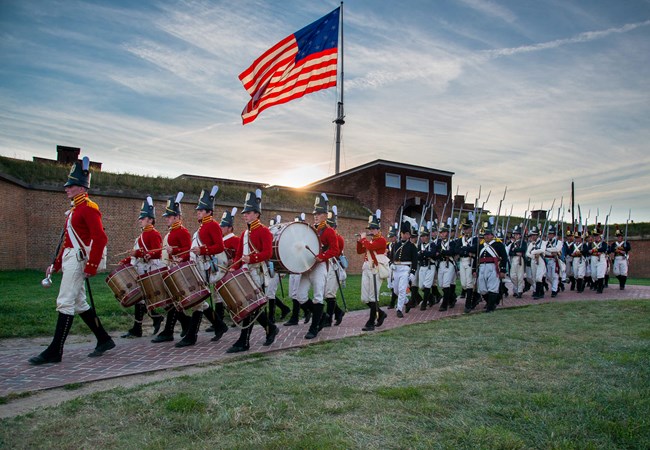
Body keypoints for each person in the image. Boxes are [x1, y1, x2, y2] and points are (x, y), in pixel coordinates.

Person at [29, 157, 115, 365]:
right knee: (79, 302)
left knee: (65, 302)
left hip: (79, 261)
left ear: (82, 188)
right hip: (71, 259)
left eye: (71, 185)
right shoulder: (75, 211)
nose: (67, 188)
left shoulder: (88, 208)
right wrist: (56, 265)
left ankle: (55, 351)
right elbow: (67, 242)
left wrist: (92, 265)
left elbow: (101, 238)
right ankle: (104, 339)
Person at [227, 190, 280, 352]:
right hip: (244, 273)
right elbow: (238, 255)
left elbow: (267, 253)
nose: (245, 216)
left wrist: (253, 259)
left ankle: (244, 341)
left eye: (248, 213)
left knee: (250, 307)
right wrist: (232, 268)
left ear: (257, 214)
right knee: (252, 307)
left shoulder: (264, 231)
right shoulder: (244, 234)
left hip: (257, 273)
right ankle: (270, 328)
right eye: (244, 213)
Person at [177, 186, 229, 347]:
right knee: (199, 302)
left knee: (197, 301)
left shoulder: (212, 225)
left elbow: (219, 247)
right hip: (197, 266)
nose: (197, 212)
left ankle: (191, 336)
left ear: (208, 211)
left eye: (200, 210)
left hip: (204, 268)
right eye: (198, 210)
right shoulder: (202, 226)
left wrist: (203, 250)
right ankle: (219, 325)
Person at [120, 196, 165, 338]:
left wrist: (138, 253)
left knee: (146, 299)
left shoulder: (154, 234)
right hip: (141, 269)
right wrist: (126, 260)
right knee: (140, 299)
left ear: (150, 220)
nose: (140, 220)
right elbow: (137, 254)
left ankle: (152, 321)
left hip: (149, 271)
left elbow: (158, 253)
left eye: (143, 218)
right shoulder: (142, 235)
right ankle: (139, 327)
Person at [297, 193, 340, 339]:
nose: (316, 216)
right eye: (315, 213)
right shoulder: (309, 229)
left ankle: (314, 327)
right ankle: (321, 316)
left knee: (318, 296)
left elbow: (335, 250)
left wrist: (321, 257)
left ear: (325, 215)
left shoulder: (329, 231)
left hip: (320, 266)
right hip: (307, 266)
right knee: (300, 296)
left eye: (320, 213)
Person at [152, 192, 192, 343]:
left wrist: (174, 251)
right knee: (170, 301)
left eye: (169, 217)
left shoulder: (182, 231)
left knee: (172, 301)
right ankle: (184, 323)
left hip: (177, 270)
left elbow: (187, 251)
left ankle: (169, 331)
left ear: (177, 217)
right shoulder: (172, 231)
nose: (167, 219)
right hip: (169, 269)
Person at [356, 210, 388, 331]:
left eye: (373, 229)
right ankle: (381, 313)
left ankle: (370, 322)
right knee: (365, 298)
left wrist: (364, 240)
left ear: (378, 229)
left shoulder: (381, 240)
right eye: (370, 229)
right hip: (366, 268)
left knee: (373, 297)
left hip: (375, 269)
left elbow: (370, 247)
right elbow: (360, 251)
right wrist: (359, 241)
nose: (371, 231)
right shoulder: (369, 240)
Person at [284, 213, 312, 326]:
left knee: (297, 293)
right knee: (292, 293)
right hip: (293, 267)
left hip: (301, 267)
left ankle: (295, 317)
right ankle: (306, 311)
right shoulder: (292, 238)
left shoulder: (306, 237)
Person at [473, 224, 508, 313]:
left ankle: (490, 307)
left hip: (493, 267)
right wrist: (474, 269)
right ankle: (491, 302)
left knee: (492, 287)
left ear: (492, 235)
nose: (487, 236)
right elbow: (477, 258)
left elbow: (504, 257)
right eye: (485, 235)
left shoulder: (498, 245)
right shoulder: (480, 246)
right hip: (482, 267)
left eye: (488, 234)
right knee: (482, 289)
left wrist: (503, 270)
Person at [321, 206, 346, 327]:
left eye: (331, 225)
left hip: (334, 265)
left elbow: (334, 250)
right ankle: (338, 312)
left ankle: (329, 319)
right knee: (326, 293)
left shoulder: (338, 238)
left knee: (329, 293)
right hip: (327, 265)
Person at [390, 218, 418, 318]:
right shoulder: (396, 245)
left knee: (402, 290)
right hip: (396, 269)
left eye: (408, 234)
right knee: (396, 291)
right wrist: (391, 263)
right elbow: (391, 257)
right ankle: (407, 302)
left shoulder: (412, 246)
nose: (406, 235)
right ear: (401, 234)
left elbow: (415, 260)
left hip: (406, 269)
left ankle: (399, 309)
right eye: (404, 233)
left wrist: (412, 272)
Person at [433, 224, 457, 311]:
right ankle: (452, 298)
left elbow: (452, 252)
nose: (442, 234)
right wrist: (442, 253)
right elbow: (435, 252)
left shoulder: (452, 242)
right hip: (441, 264)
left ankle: (444, 304)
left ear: (447, 233)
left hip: (449, 264)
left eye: (443, 232)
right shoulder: (438, 243)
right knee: (441, 284)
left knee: (446, 284)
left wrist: (442, 252)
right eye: (441, 232)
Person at [457, 221, 478, 311]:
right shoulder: (460, 240)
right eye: (464, 229)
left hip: (471, 260)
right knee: (463, 284)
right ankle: (475, 297)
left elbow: (475, 248)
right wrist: (466, 250)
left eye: (467, 229)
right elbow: (457, 250)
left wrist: (464, 249)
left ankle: (468, 304)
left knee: (469, 283)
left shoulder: (475, 239)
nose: (466, 231)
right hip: (462, 261)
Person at [416, 222, 435, 311]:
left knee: (427, 285)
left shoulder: (432, 245)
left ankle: (424, 303)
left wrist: (424, 254)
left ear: (428, 236)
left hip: (430, 266)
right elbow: (418, 256)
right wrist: (426, 254)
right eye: (421, 236)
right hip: (422, 266)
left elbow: (434, 254)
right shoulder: (420, 246)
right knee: (421, 286)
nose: (422, 238)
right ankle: (431, 298)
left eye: (424, 236)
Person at [526, 226, 547, 299]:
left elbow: (542, 250)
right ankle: (541, 292)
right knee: (534, 277)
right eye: (532, 235)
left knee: (539, 277)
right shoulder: (531, 244)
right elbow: (527, 253)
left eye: (534, 235)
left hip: (540, 260)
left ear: (538, 235)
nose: (533, 236)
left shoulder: (542, 242)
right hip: (533, 260)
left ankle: (538, 293)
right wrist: (534, 255)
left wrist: (534, 251)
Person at [508, 225, 527, 299]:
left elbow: (523, 250)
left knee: (520, 276)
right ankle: (517, 288)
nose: (516, 236)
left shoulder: (523, 242)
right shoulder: (513, 243)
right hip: (514, 259)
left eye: (517, 234)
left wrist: (515, 250)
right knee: (513, 276)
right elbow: (510, 252)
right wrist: (515, 252)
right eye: (515, 234)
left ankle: (519, 291)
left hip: (520, 259)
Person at [587, 228, 608, 293]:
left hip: (601, 259)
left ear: (599, 236)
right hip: (593, 258)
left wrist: (595, 250)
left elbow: (604, 249)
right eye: (594, 235)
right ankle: (596, 284)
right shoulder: (591, 244)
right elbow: (588, 250)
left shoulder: (603, 243)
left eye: (597, 235)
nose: (596, 237)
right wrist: (591, 251)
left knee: (600, 274)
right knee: (593, 274)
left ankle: (600, 288)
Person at [544, 225, 563, 298]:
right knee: (548, 277)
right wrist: (550, 250)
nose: (549, 235)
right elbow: (543, 250)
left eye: (551, 234)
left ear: (554, 234)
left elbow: (557, 249)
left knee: (555, 276)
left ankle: (554, 290)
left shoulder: (559, 242)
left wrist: (547, 250)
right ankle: (556, 286)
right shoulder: (546, 242)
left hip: (554, 260)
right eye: (549, 234)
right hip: (547, 260)